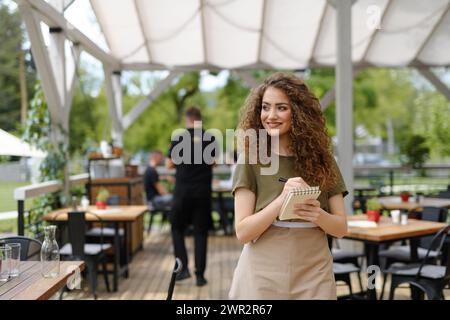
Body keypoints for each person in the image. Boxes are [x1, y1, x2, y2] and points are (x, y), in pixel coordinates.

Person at [229, 72, 348, 299]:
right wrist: (282, 201)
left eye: (281, 108)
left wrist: (316, 214)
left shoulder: (325, 162)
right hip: (262, 272)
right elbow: (242, 232)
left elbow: (341, 228)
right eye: (265, 107)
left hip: (315, 272)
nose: (271, 115)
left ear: (300, 113)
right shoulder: (251, 159)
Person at [166, 106, 217, 286]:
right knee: (200, 233)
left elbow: (169, 164)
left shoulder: (179, 137)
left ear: (187, 119)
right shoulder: (209, 137)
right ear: (200, 119)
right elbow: (214, 162)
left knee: (176, 227)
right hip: (203, 192)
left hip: (183, 192)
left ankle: (183, 269)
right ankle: (200, 276)